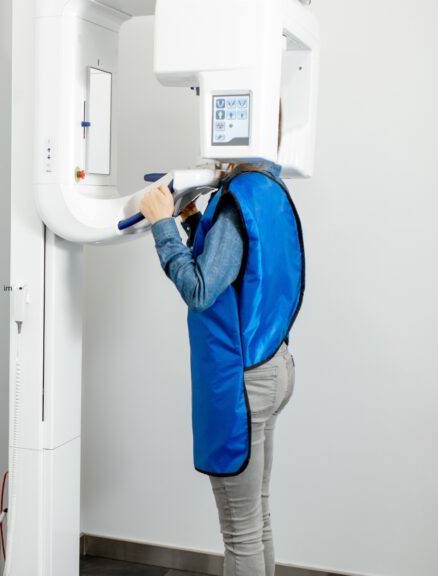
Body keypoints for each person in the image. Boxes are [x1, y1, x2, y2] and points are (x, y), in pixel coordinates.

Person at [139, 157, 304, 576]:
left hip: (243, 382)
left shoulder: (236, 200)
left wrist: (162, 225)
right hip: (274, 363)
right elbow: (241, 266)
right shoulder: (267, 188)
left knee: (241, 533)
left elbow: (200, 289)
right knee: (256, 519)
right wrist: (193, 222)